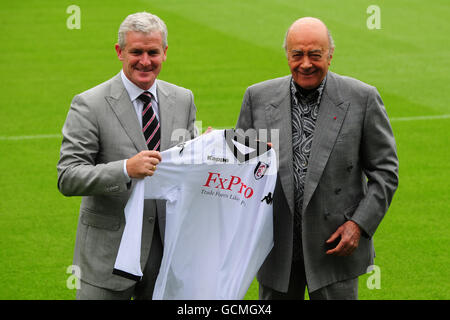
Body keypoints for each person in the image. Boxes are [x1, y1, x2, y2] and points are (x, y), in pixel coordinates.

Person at [236, 17, 399, 300]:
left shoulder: (362, 98)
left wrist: (358, 224)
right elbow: (241, 167)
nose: (306, 64)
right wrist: (217, 149)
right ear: (287, 54)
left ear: (330, 55)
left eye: (315, 55)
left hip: (335, 247)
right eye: (297, 55)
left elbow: (385, 172)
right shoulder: (258, 97)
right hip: (276, 249)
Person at [57, 12, 197, 299]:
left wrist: (210, 150)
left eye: (153, 52)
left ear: (165, 53)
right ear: (120, 52)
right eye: (136, 52)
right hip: (106, 260)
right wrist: (124, 169)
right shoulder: (89, 104)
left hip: (165, 256)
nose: (145, 61)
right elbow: (68, 177)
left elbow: (187, 167)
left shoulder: (183, 99)